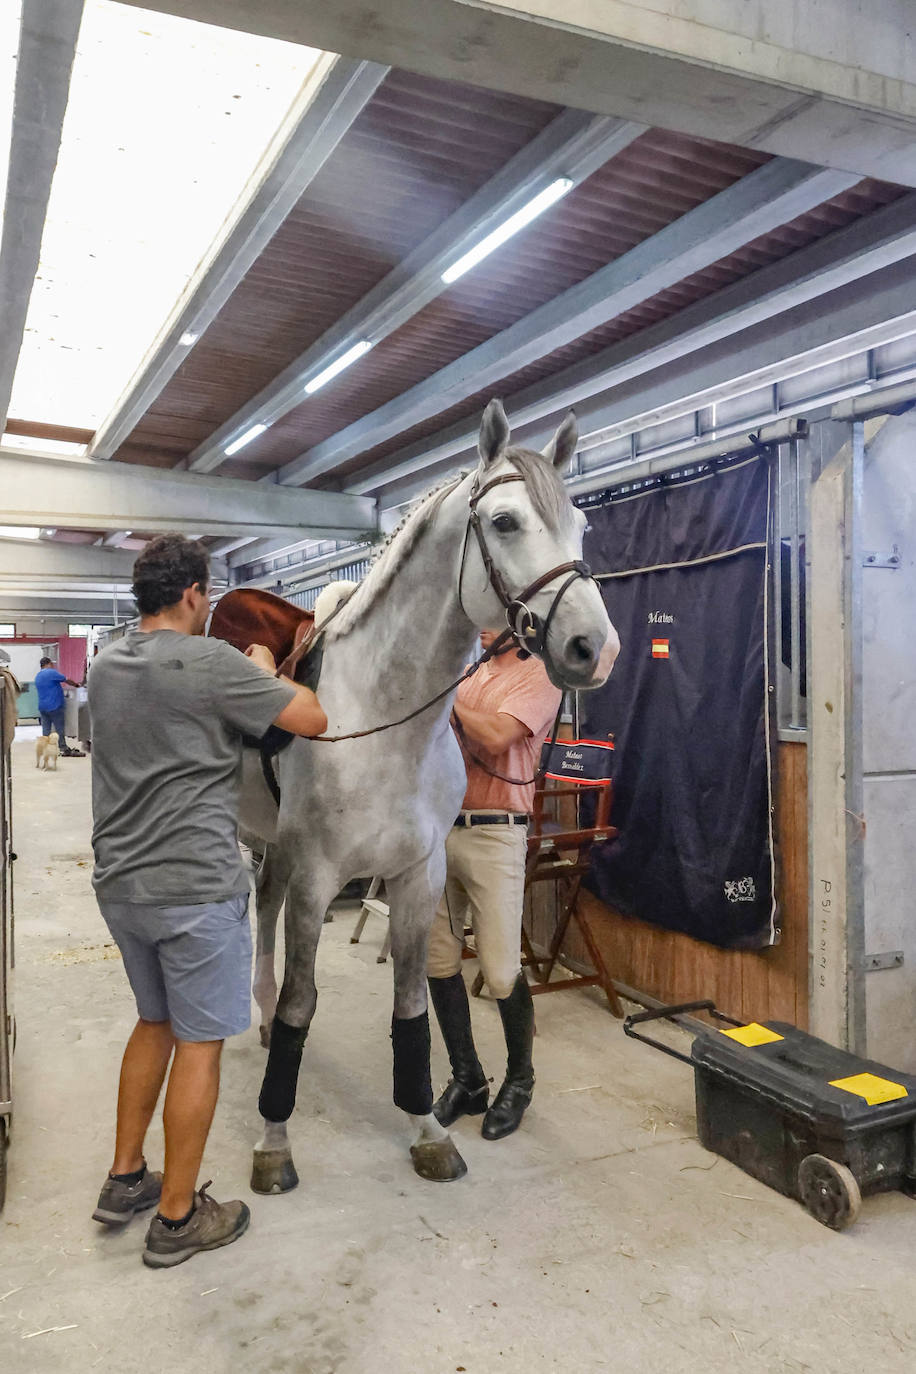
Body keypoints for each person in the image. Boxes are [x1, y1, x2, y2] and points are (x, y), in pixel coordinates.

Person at [89, 535, 327, 1268]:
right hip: (194, 889)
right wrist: (262, 669)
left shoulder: (106, 664)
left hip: (122, 884)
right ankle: (177, 1216)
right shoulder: (213, 663)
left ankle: (125, 1177)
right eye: (208, 596)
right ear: (193, 593)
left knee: (155, 1021)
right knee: (200, 1043)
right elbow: (312, 717)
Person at [427, 629, 561, 1141]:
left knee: (501, 970)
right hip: (443, 825)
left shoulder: (540, 674)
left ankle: (520, 1081)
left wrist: (444, 699)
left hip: (495, 833)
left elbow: (498, 736)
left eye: (491, 617)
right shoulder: (472, 671)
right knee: (438, 961)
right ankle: (468, 1078)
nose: (480, 626)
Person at [34, 656, 83, 756]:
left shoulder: (38, 676)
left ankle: (46, 748)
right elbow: (66, 679)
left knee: (46, 729)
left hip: (43, 707)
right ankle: (62, 747)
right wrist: (77, 685)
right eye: (52, 664)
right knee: (59, 728)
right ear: (49, 664)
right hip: (55, 706)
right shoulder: (51, 672)